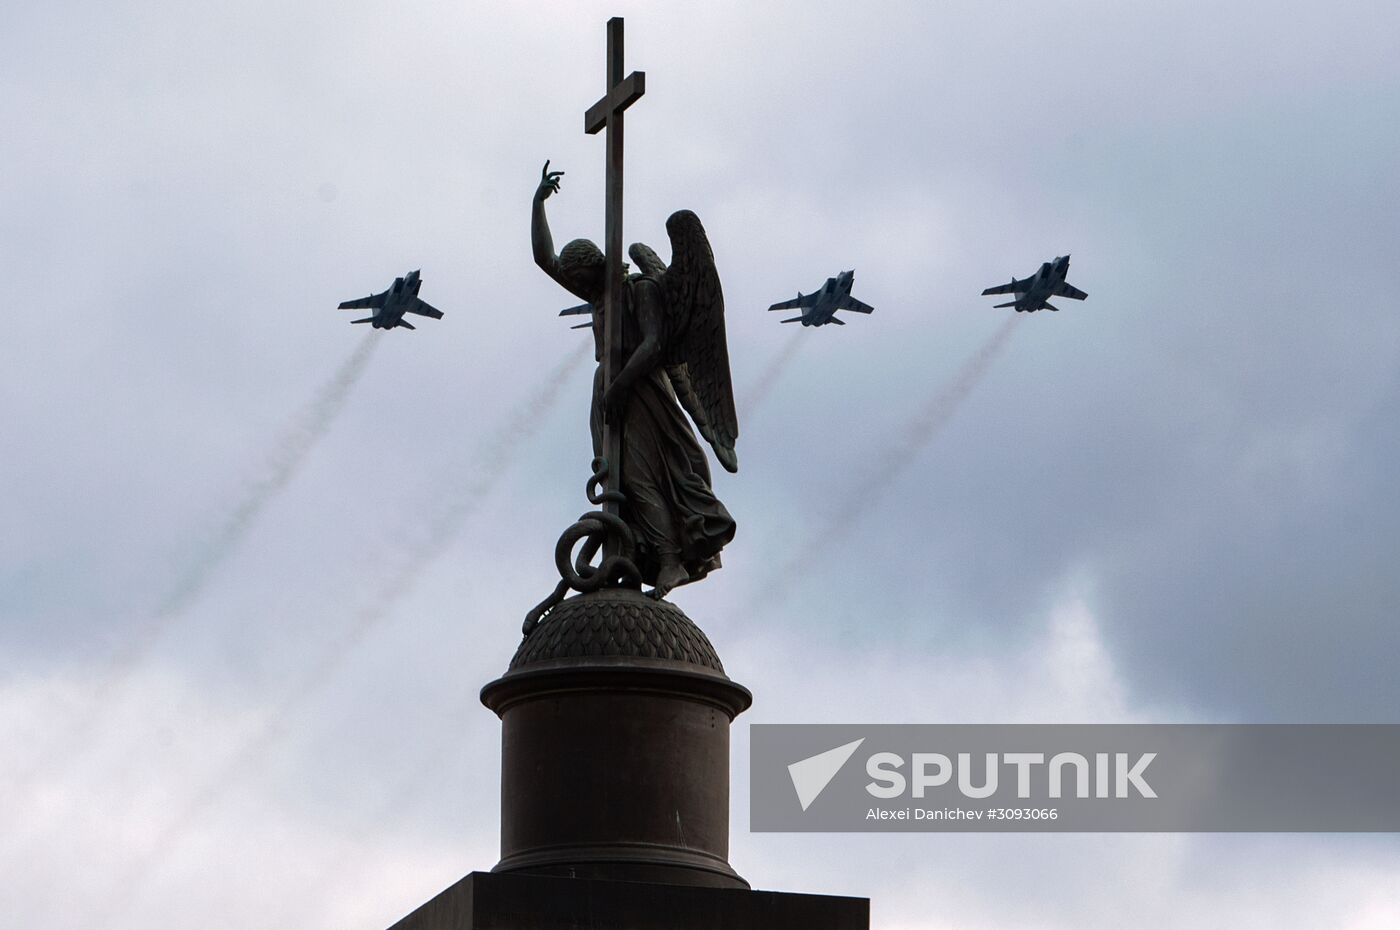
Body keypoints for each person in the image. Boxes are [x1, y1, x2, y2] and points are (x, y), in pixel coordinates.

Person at [532, 162, 735, 598]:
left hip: (641, 389)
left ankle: (670, 560)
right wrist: (538, 204)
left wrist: (621, 385)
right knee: (616, 478)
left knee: (642, 476)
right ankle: (629, 546)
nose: (578, 289)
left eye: (581, 280)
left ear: (596, 267)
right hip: (608, 388)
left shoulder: (641, 289)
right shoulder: (598, 295)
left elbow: (654, 344)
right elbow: (545, 260)